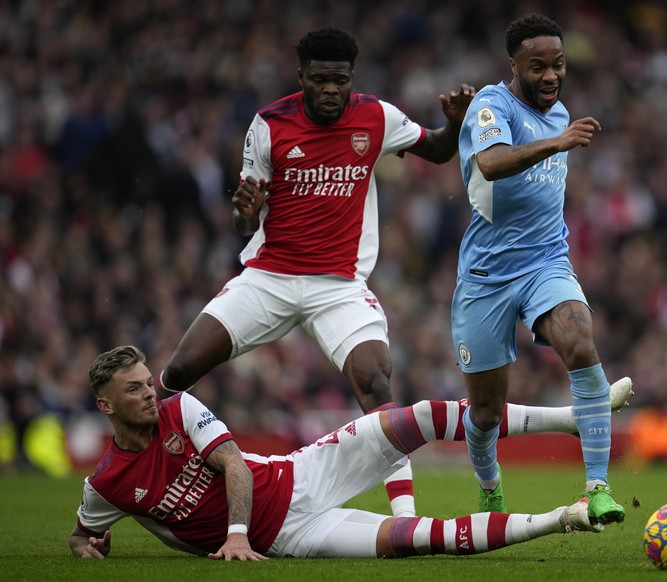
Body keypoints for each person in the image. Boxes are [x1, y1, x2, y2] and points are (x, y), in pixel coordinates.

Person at [158, 27, 476, 518]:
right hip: (269, 278)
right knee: (177, 372)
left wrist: (453, 126)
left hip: (339, 286)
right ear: (301, 76)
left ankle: (407, 522)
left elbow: (435, 149)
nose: (331, 89)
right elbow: (245, 218)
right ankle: (137, 477)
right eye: (321, 79)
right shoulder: (268, 124)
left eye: (340, 80)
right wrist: (246, 210)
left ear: (352, 78)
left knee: (377, 384)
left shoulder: (376, 116)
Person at [69, 346, 633, 559]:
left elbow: (235, 465)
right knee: (417, 541)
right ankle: (564, 519)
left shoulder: (179, 408)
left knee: (419, 417)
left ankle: (578, 418)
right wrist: (86, 546)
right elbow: (79, 531)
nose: (150, 393)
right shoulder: (108, 484)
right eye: (134, 389)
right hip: (291, 539)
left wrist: (234, 537)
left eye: (148, 382)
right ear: (105, 406)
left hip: (300, 476)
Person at [452, 14, 628, 525]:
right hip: (486, 277)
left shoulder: (560, 114)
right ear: (513, 66)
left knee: (580, 341)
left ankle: (598, 487)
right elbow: (491, 164)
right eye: (538, 67)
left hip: (546, 261)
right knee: (485, 413)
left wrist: (560, 136)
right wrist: (558, 142)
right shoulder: (492, 105)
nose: (551, 76)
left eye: (559, 65)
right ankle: (490, 490)